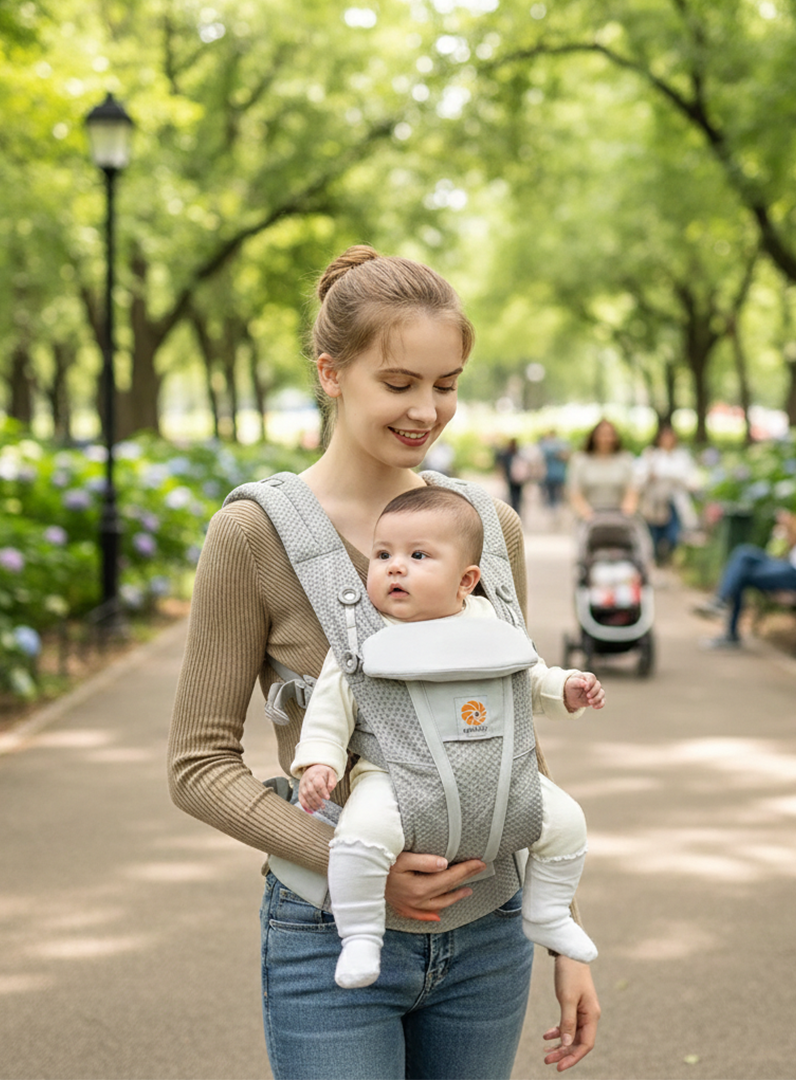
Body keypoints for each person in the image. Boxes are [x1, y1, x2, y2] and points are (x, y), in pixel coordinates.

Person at [168, 245, 600, 1079]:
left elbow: (513, 743)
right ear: (331, 373)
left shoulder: (488, 527)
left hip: (490, 938)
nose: (427, 411)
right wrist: (348, 866)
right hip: (331, 941)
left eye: (447, 384)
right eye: (398, 384)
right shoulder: (254, 534)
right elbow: (198, 765)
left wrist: (565, 937)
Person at [293, 486, 604, 989]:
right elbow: (331, 708)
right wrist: (320, 763)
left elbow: (524, 682)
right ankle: (361, 936)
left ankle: (547, 915)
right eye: (383, 554)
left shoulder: (491, 623)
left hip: (496, 779)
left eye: (418, 556)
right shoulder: (361, 637)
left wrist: (565, 690)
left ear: (466, 581)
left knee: (567, 822)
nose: (396, 567)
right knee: (356, 839)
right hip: (397, 779)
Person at [694, 478, 796, 649]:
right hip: (790, 567)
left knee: (742, 576)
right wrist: (789, 529)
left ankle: (730, 630)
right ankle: (720, 601)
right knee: (744, 553)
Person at [635, 421, 699, 565]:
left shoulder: (683, 457)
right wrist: (649, 477)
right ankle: (658, 560)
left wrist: (679, 480)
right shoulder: (651, 455)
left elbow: (692, 480)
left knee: (673, 535)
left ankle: (668, 557)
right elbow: (639, 479)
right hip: (655, 503)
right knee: (655, 535)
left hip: (675, 502)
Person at [566, 419, 639, 522]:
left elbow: (632, 490)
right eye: (602, 435)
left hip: (619, 518)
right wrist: (586, 514)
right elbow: (574, 492)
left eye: (610, 435)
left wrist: (626, 512)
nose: (606, 439)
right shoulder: (580, 460)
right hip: (589, 518)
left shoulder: (625, 460)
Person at [538, 429, 571, 520]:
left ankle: (554, 511)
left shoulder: (546, 445)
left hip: (554, 475)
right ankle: (555, 512)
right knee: (554, 494)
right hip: (553, 475)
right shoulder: (560, 445)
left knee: (554, 495)